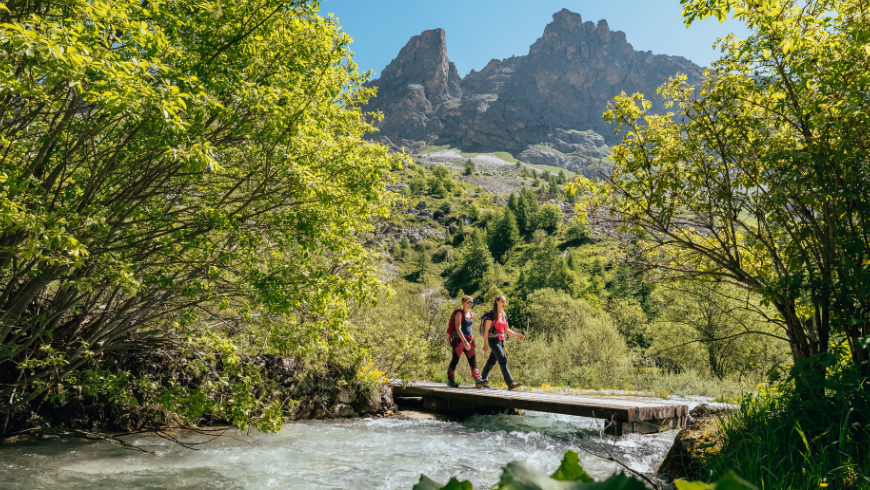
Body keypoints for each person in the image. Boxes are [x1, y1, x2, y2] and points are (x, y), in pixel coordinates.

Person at [480, 295, 525, 390]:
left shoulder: (504, 314)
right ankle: (510, 382)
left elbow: (506, 329)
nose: (504, 303)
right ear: (497, 302)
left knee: (492, 361)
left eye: (505, 302)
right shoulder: (492, 314)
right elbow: (486, 330)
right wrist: (485, 344)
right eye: (502, 301)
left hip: (502, 341)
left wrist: (517, 335)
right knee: (502, 359)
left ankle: (482, 380)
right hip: (493, 340)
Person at [447, 295, 483, 388]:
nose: (471, 304)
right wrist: (464, 341)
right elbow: (458, 329)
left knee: (472, 359)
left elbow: (470, 328)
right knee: (455, 359)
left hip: (469, 340)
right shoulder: (459, 313)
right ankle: (450, 380)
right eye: (469, 302)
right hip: (459, 340)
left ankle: (478, 379)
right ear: (463, 303)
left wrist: (471, 340)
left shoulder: (471, 314)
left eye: (472, 302)